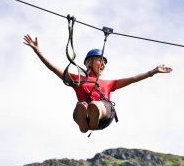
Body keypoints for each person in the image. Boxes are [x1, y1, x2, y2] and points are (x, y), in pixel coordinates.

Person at [23, 34, 173, 133]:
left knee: (94, 105)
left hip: (104, 115)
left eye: (105, 63)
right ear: (89, 62)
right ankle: (85, 124)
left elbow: (133, 79)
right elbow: (54, 68)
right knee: (82, 105)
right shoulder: (77, 79)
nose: (103, 65)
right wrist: (38, 51)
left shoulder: (108, 83)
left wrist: (153, 71)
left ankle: (93, 119)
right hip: (85, 113)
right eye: (100, 61)